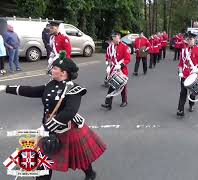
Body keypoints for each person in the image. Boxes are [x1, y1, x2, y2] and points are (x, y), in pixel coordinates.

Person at [0, 52, 106, 180]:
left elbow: (69, 112)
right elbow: (31, 90)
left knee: (78, 156)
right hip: (48, 127)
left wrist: (46, 127)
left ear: (64, 73)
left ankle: (90, 173)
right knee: (43, 162)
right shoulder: (51, 84)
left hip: (67, 128)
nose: (52, 69)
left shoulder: (74, 89)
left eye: (55, 68)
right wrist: (6, 88)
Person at [177, 32, 198, 117]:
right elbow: (181, 64)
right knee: (183, 92)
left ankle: (191, 105)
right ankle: (180, 109)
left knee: (193, 93)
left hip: (194, 75)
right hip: (185, 75)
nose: (189, 41)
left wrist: (197, 69)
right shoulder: (183, 50)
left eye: (191, 39)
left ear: (195, 40)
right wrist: (180, 72)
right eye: (188, 39)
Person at [101, 30, 130, 110]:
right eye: (113, 37)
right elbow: (107, 58)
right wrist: (107, 66)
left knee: (122, 86)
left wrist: (120, 65)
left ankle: (124, 101)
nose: (113, 38)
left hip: (122, 70)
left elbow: (127, 59)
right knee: (112, 86)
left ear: (119, 36)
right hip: (113, 70)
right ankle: (108, 104)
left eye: (115, 36)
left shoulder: (124, 46)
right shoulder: (110, 47)